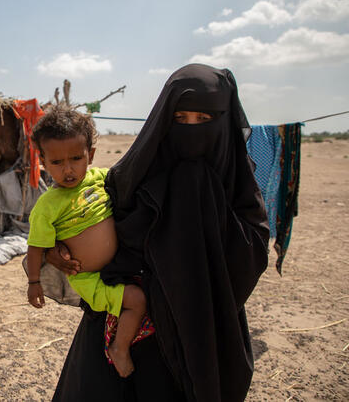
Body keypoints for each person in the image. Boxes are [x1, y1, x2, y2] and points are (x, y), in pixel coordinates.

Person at [48, 64, 270, 401]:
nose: (191, 131)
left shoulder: (234, 181)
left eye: (204, 120)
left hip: (198, 327)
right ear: (164, 117)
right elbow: (80, 218)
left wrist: (202, 211)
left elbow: (253, 248)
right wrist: (55, 250)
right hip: (127, 327)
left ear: (223, 121)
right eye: (180, 119)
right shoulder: (133, 175)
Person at [25, 107, 147, 377]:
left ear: (90, 155)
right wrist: (34, 282)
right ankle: (120, 348)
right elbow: (35, 247)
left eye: (76, 158)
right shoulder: (47, 206)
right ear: (42, 161)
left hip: (121, 265)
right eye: (56, 162)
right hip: (89, 278)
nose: (68, 170)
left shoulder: (101, 179)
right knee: (138, 301)